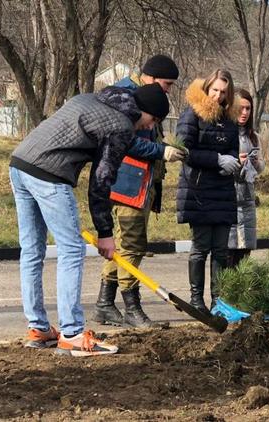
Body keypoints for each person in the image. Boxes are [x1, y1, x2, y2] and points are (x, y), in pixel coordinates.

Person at [9, 82, 170, 357]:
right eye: (152, 120)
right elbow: (101, 182)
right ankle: (72, 333)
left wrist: (161, 150)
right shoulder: (120, 125)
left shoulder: (95, 100)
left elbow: (122, 148)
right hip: (50, 173)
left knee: (32, 251)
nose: (148, 126)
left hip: (20, 163)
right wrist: (105, 233)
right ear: (144, 111)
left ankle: (38, 329)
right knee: (72, 249)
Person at [94, 54, 184, 329]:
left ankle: (105, 304)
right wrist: (162, 151)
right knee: (131, 245)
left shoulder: (138, 94)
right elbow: (128, 142)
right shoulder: (127, 97)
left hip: (138, 183)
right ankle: (132, 308)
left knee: (122, 246)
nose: (167, 89)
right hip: (127, 183)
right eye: (166, 83)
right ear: (151, 77)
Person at [176, 69, 240, 312]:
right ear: (207, 88)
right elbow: (185, 151)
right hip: (198, 190)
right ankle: (196, 299)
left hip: (223, 189)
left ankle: (218, 300)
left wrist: (232, 161)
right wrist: (217, 160)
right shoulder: (192, 114)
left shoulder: (229, 119)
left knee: (221, 251)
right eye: (214, 90)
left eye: (223, 92)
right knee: (201, 247)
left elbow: (234, 148)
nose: (218, 96)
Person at [226, 88, 265, 268]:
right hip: (229, 197)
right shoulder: (225, 133)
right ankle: (223, 293)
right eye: (240, 108)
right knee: (228, 250)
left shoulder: (253, 136)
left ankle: (241, 290)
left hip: (247, 198)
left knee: (244, 250)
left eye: (248, 108)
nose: (244, 113)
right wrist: (235, 161)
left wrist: (256, 163)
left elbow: (261, 167)